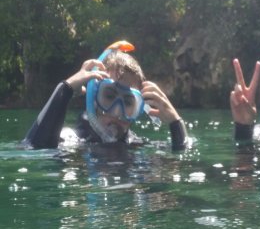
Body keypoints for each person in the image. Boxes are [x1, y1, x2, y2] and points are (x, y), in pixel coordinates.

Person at [23, 41, 188, 150]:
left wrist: (176, 123)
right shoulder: (71, 140)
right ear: (92, 98)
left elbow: (182, 164)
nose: (117, 112)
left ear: (139, 108)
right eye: (109, 96)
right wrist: (65, 89)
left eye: (128, 102)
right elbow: (33, 147)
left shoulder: (137, 146)